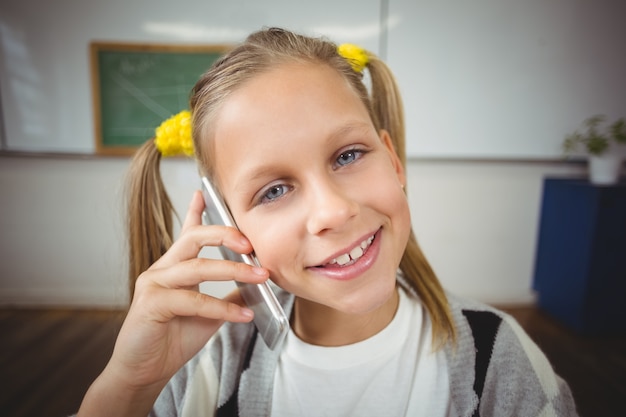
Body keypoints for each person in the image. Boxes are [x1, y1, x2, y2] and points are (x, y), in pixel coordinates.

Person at [77, 27, 578, 416]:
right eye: (273, 190)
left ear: (393, 161)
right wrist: (128, 388)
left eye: (348, 155)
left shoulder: (497, 359)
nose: (334, 211)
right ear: (231, 229)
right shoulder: (201, 367)